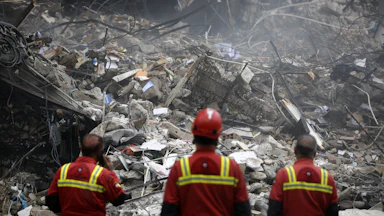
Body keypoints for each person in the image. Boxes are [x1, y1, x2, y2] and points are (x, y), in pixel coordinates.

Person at [161, 108, 251, 216]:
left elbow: (168, 211)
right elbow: (244, 211)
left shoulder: (180, 168)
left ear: (193, 132)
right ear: (218, 136)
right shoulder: (232, 168)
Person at [46, 134, 130, 216]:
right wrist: (110, 171)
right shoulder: (104, 174)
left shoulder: (63, 170)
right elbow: (119, 199)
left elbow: (51, 201)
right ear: (100, 151)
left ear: (81, 148)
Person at [268, 134, 338, 216]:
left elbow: (273, 209)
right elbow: (333, 211)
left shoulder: (284, 175)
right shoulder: (327, 178)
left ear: (294, 151)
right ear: (315, 154)